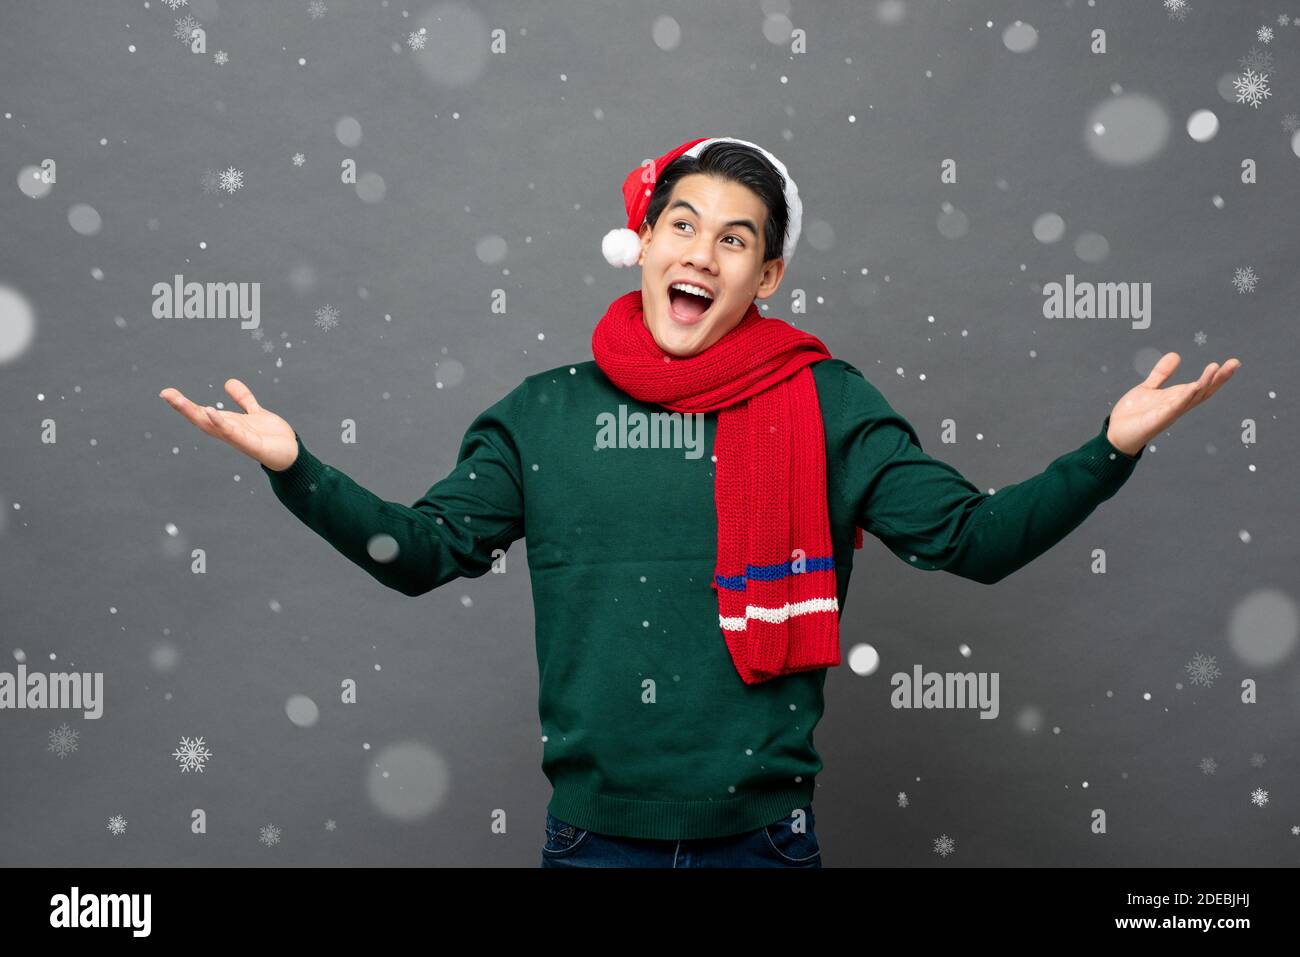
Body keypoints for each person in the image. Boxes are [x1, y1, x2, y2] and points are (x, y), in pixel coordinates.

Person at [159, 135, 1240, 868]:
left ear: (766, 276)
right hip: (593, 845)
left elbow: (974, 540)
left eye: (734, 239)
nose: (700, 252)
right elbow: (425, 553)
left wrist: (1109, 449)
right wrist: (296, 465)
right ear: (643, 242)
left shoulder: (829, 404)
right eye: (682, 224)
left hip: (764, 844)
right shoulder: (540, 415)